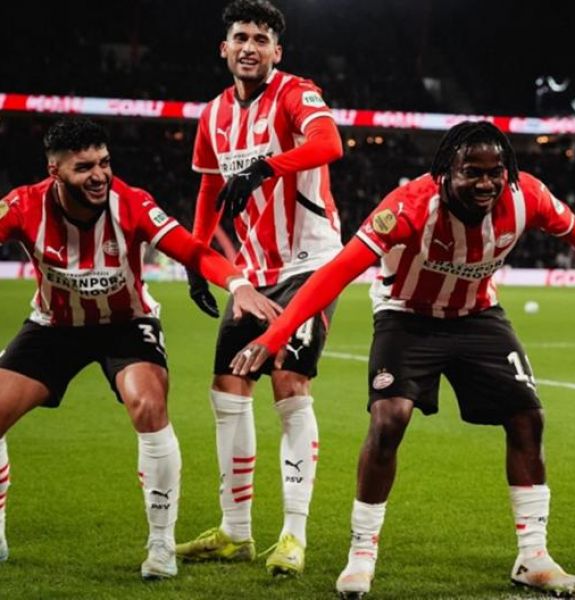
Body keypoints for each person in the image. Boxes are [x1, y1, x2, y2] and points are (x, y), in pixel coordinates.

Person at [229, 121, 575, 598]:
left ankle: (533, 557)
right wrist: (275, 335)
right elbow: (338, 271)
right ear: (447, 171)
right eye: (473, 172)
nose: (486, 183)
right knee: (389, 419)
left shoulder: (527, 196)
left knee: (527, 417)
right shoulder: (408, 206)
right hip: (406, 315)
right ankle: (361, 556)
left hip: (476, 314)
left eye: (495, 172)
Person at [0, 118, 280, 579]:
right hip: (54, 326)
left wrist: (238, 283)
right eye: (84, 167)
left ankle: (161, 544)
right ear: (54, 171)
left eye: (104, 163)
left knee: (148, 406)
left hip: (126, 324)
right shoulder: (23, 205)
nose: (99, 175)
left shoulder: (130, 203)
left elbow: (191, 249)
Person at [175, 0, 344, 578]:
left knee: (289, 382)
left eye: (261, 39)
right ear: (224, 48)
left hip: (311, 262)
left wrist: (267, 166)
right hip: (252, 270)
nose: (250, 47)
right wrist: (197, 258)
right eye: (241, 37)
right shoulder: (213, 115)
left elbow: (329, 145)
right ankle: (235, 532)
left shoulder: (297, 93)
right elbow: (208, 190)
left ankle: (294, 534)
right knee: (228, 386)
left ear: (277, 51)